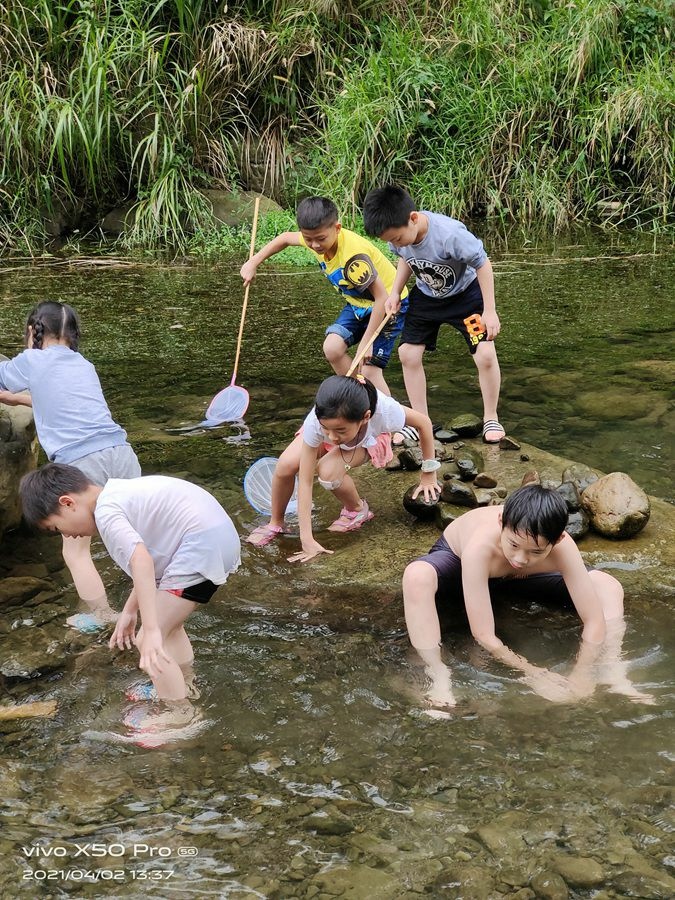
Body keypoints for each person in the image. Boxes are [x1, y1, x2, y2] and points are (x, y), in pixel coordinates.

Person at [19, 464, 241, 701]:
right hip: (219, 539)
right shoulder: (117, 493)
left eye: (56, 528)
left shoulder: (106, 514)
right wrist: (129, 611)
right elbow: (152, 567)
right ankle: (185, 684)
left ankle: (179, 715)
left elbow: (142, 562)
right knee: (171, 628)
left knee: (149, 640)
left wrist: (152, 630)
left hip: (200, 547)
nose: (68, 535)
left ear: (68, 503)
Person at [402, 484, 635, 708]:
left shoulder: (563, 546)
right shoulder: (480, 547)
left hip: (517, 580)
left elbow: (594, 620)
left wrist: (582, 672)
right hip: (461, 568)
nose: (521, 558)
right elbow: (483, 634)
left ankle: (612, 667)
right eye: (513, 544)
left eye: (535, 551)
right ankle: (437, 675)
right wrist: (533, 673)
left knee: (608, 586)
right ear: (501, 522)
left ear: (558, 539)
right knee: (416, 576)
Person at [0, 301, 141, 631]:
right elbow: (58, 398)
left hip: (80, 463)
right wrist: (16, 399)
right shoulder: (83, 364)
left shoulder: (33, 359)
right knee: (135, 535)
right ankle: (155, 594)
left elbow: (4, 379)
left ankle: (103, 614)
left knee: (76, 552)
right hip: (120, 453)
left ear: (34, 331)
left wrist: (9, 392)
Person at [363, 185, 504, 443]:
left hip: (466, 298)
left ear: (413, 218)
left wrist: (490, 310)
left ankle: (491, 416)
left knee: (484, 354)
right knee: (408, 353)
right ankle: (420, 420)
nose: (395, 244)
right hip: (427, 298)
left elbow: (483, 264)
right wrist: (395, 291)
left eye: (396, 238)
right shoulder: (400, 237)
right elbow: (406, 257)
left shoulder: (449, 235)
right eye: (390, 241)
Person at [246, 374, 441, 562]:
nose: (332, 437)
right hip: (339, 428)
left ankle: (357, 509)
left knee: (328, 472)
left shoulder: (386, 412)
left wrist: (429, 474)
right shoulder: (317, 423)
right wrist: (307, 538)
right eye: (326, 429)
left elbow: (424, 423)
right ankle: (276, 523)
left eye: (339, 431)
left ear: (365, 417)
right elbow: (305, 482)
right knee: (285, 465)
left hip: (366, 440)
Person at [240, 196, 408, 396]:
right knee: (332, 348)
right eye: (308, 239)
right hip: (358, 304)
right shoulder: (314, 237)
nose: (315, 245)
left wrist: (367, 342)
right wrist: (253, 263)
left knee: (369, 367)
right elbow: (285, 238)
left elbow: (381, 298)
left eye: (320, 239)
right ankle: (361, 398)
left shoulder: (353, 258)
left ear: (337, 228)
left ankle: (389, 420)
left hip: (389, 305)